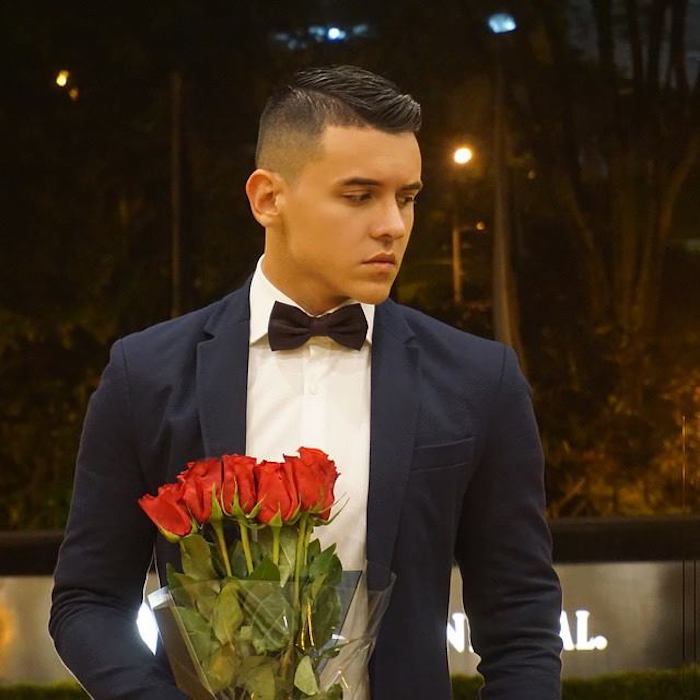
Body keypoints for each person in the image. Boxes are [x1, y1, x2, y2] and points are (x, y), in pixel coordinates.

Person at [50, 64, 563, 699]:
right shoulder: (147, 373)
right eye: (359, 195)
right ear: (268, 198)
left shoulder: (481, 380)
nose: (393, 225)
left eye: (406, 197)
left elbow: (521, 620)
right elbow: (89, 601)